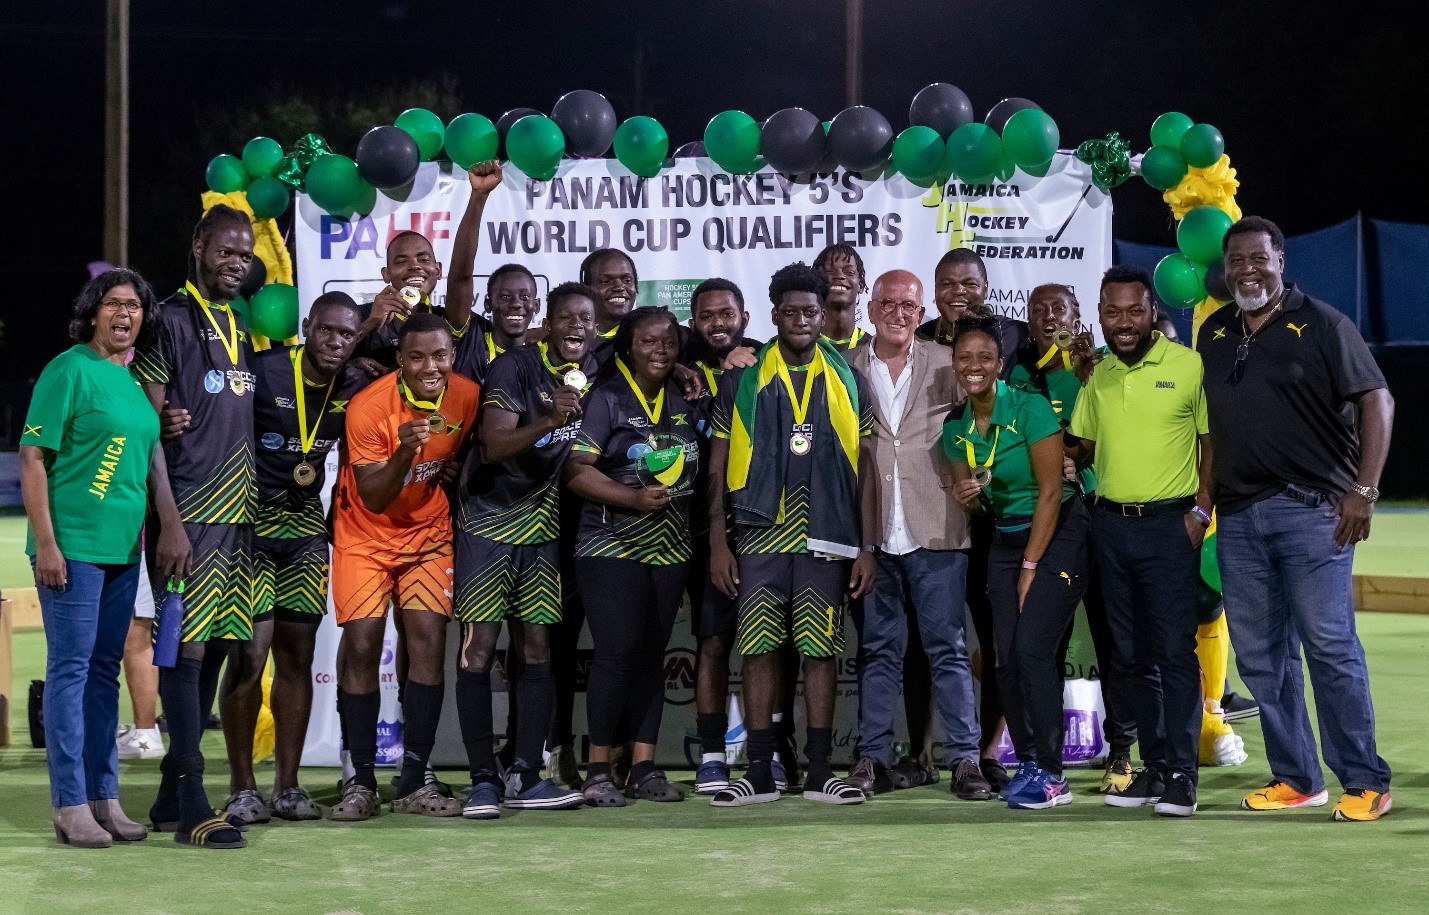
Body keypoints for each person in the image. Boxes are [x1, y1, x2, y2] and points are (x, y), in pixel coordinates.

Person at [1199, 216, 1394, 822]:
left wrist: (1364, 489)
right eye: (1237, 261)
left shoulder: (1324, 323)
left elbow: (1377, 399)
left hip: (1315, 514)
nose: (1247, 270)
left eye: (1259, 259)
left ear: (1281, 261)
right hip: (1238, 517)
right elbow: (1209, 427)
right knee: (1261, 656)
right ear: (1226, 268)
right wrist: (1205, 502)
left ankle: (1366, 781)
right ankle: (1297, 778)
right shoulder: (1215, 331)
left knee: (1330, 647)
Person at [22, 269, 188, 848]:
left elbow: (143, 456)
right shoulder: (68, 369)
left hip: (124, 550)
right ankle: (70, 805)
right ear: (93, 312)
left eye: (135, 306)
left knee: (100, 673)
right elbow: (33, 457)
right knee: (71, 670)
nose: (125, 314)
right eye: (113, 304)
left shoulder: (134, 379)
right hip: (72, 548)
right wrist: (46, 544)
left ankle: (104, 798)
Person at [707, 262, 875, 808]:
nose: (801, 320)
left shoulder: (849, 377)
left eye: (811, 311)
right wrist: (717, 541)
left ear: (824, 316)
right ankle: (758, 771)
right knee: (756, 649)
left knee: (820, 652)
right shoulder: (742, 379)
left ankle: (821, 771)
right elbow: (717, 463)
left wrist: (865, 546)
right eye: (790, 312)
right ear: (774, 315)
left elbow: (867, 466)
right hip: (758, 534)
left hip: (826, 533)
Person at [207, 293, 369, 824]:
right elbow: (220, 418)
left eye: (346, 335)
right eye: (327, 331)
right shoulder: (266, 371)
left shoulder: (354, 384)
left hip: (304, 531)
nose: (336, 343)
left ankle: (288, 786)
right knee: (250, 655)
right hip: (250, 524)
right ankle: (241, 786)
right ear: (307, 327)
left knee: (297, 658)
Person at [132, 204, 260, 849]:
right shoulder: (168, 323)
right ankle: (191, 803)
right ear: (197, 248)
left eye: (244, 254)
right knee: (183, 654)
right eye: (225, 252)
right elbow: (150, 432)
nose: (236, 263)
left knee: (209, 651)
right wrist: (171, 524)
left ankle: (165, 795)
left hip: (238, 519)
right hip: (191, 516)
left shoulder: (239, 322)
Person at [1069, 265, 1211, 818]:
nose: (1123, 322)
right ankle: (1154, 768)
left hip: (1169, 526)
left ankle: (1182, 774)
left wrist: (1201, 510)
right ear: (1100, 314)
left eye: (1134, 311)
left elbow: (1210, 443)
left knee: (1174, 653)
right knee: (1129, 657)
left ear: (1154, 312)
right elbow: (1080, 446)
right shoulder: (1099, 375)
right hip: (1110, 526)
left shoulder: (1189, 365)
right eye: (1112, 312)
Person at [452, 283, 598, 819]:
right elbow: (492, 446)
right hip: (489, 522)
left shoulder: (597, 367)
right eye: (566, 319)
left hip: (542, 527)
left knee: (537, 650)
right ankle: (482, 780)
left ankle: (526, 773)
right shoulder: (515, 367)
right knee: (479, 650)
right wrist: (550, 421)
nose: (577, 328)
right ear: (549, 324)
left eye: (585, 319)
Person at [329, 312, 481, 821]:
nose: (429, 366)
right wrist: (406, 451)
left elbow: (464, 451)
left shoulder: (466, 394)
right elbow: (372, 495)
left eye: (439, 355)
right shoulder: (368, 408)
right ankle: (362, 781)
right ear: (400, 360)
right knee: (363, 644)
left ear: (451, 356)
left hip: (427, 536)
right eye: (416, 357)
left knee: (427, 643)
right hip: (364, 536)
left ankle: (415, 778)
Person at [846, 271, 991, 802]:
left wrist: (983, 477)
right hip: (873, 531)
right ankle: (872, 759)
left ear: (921, 308)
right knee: (880, 651)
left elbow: (989, 419)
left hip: (939, 526)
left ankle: (966, 761)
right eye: (887, 303)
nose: (898, 312)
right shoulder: (846, 366)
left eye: (908, 305)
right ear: (871, 308)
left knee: (947, 650)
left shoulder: (946, 363)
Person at [945, 314, 1090, 810]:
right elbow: (978, 501)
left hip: (1059, 533)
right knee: (1005, 656)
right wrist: (968, 500)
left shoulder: (1028, 408)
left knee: (1031, 648)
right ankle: (1027, 761)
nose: (974, 366)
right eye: (965, 358)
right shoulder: (955, 430)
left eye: (985, 357)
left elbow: (1051, 492)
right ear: (953, 364)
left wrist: (1030, 567)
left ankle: (1052, 774)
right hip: (1005, 539)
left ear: (1000, 364)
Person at [563, 306, 701, 806]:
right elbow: (577, 471)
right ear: (627, 348)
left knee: (651, 658)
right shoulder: (606, 398)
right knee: (616, 654)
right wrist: (631, 499)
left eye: (668, 341)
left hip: (671, 546)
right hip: (609, 544)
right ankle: (598, 768)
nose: (660, 350)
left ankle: (644, 766)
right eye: (648, 342)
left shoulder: (687, 395)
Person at [1008, 283, 1138, 793]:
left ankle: (1122, 752)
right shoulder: (1016, 373)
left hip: (1098, 518)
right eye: (1037, 310)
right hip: (1045, 523)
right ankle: (1044, 760)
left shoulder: (1099, 365)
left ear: (1077, 315)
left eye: (1057, 309)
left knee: (1114, 640)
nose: (1046, 317)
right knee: (1043, 642)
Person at [914, 246, 1023, 790]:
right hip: (929, 515)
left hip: (995, 521)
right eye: (948, 283)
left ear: (986, 286)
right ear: (934, 292)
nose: (959, 292)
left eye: (969, 283)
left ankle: (987, 751)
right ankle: (919, 751)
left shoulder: (1017, 337)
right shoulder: (915, 335)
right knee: (926, 640)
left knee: (996, 639)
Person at [441, 162, 529, 386]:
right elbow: (460, 277)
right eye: (505, 297)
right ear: (488, 304)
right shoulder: (471, 337)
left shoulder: (541, 352)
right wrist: (478, 196)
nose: (516, 304)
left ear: (536, 306)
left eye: (525, 297)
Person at [813, 243, 870, 351]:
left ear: (861, 285)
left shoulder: (873, 347)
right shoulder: (803, 346)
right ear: (816, 281)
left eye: (849, 272)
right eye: (829, 271)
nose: (839, 276)